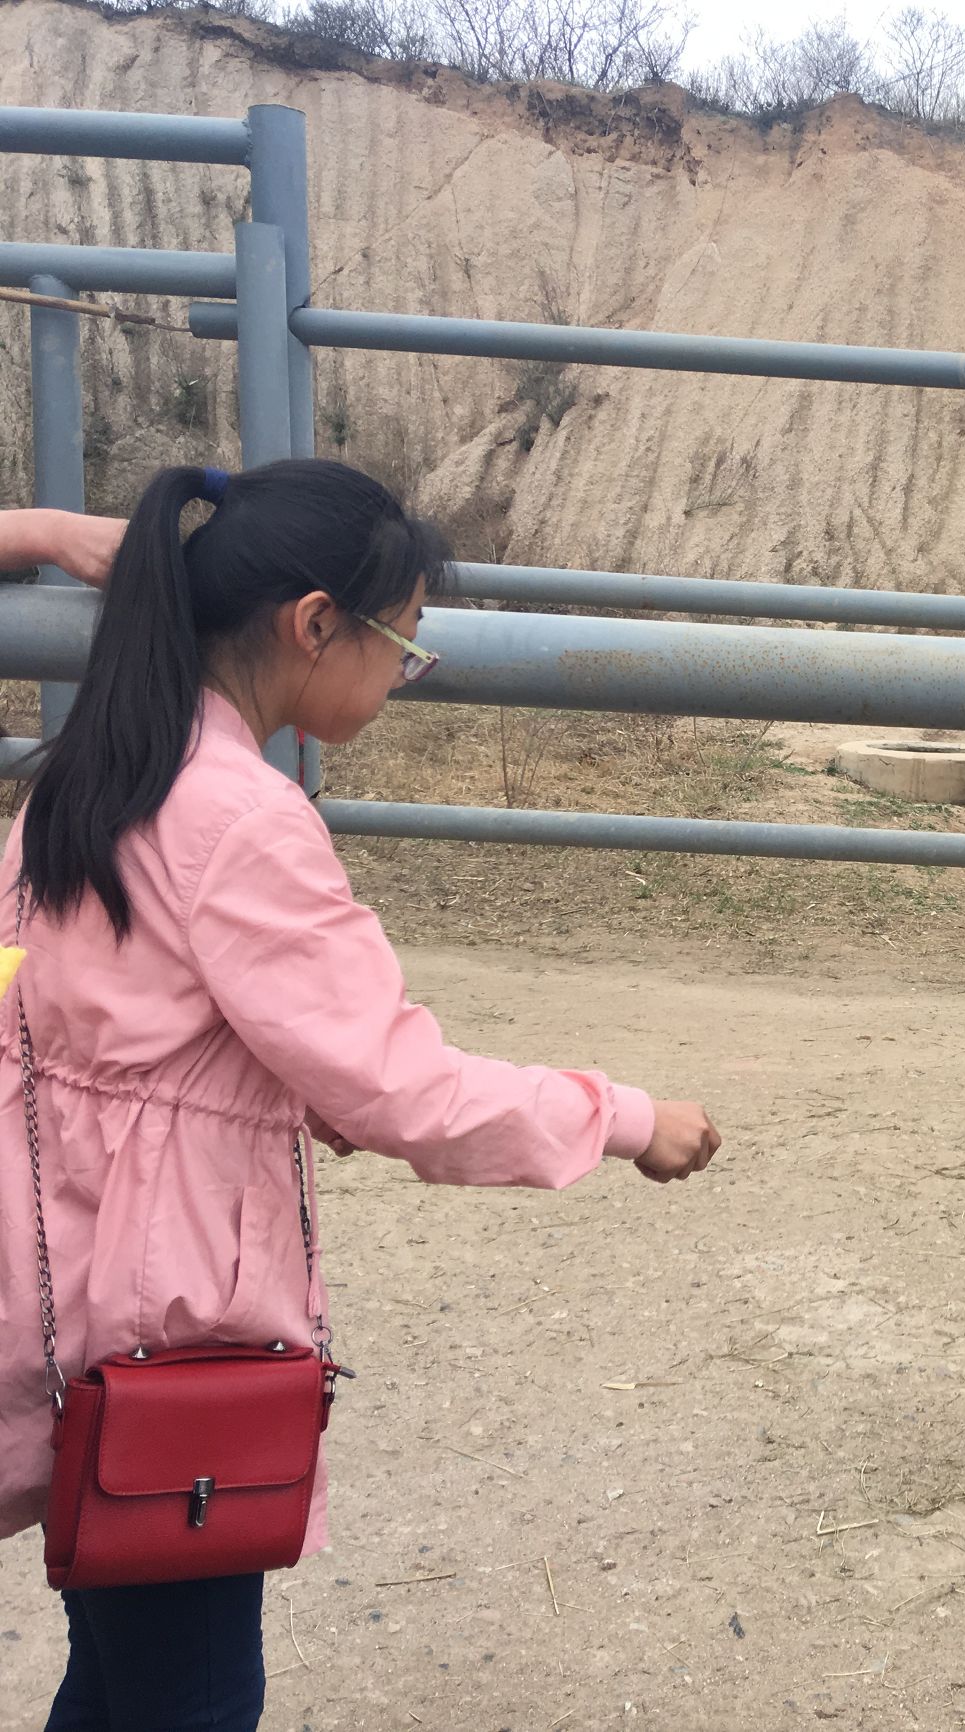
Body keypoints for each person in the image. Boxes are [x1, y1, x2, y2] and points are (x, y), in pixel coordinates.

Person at [0, 463, 722, 1731]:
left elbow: (163, 1032)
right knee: (195, 1694)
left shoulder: (89, 771)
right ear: (314, 622)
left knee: (123, 1666)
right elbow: (402, 1087)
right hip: (160, 1324)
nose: (404, 671)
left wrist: (43, 532)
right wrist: (619, 1115)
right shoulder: (242, 819)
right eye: (403, 639)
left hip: (59, 1283)